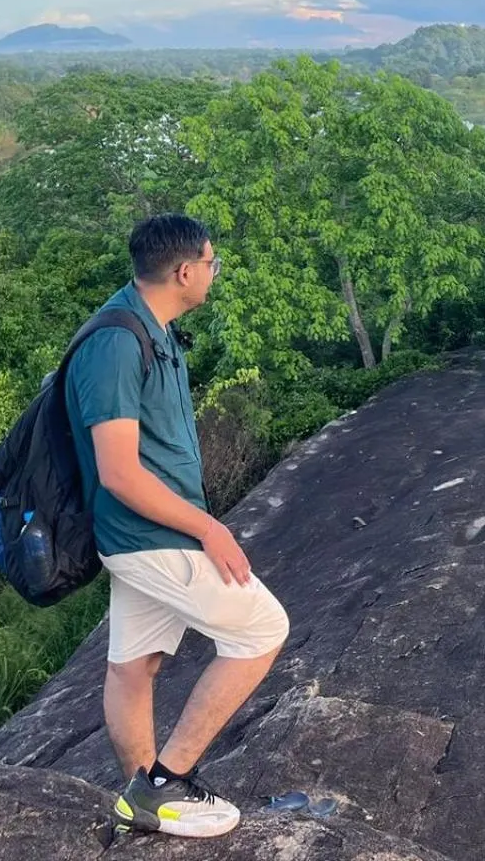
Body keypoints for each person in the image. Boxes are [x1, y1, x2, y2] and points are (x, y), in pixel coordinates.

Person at [66, 214, 289, 839]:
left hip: (146, 532)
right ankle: (166, 783)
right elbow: (119, 473)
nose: (215, 272)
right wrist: (209, 529)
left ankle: (143, 799)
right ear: (185, 271)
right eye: (212, 263)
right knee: (263, 629)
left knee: (133, 666)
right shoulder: (117, 343)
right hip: (148, 535)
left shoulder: (150, 327)